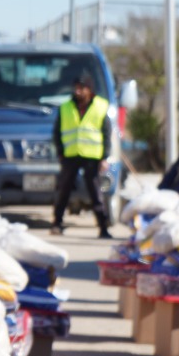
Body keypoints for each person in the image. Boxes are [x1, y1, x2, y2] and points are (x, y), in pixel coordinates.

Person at [51, 71, 113, 239]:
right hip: (70, 155)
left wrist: (105, 157)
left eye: (81, 88)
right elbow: (56, 132)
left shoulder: (100, 106)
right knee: (64, 189)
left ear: (89, 89)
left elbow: (107, 133)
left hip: (92, 156)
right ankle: (57, 223)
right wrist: (60, 152)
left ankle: (103, 227)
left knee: (95, 192)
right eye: (76, 88)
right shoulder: (66, 107)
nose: (78, 92)